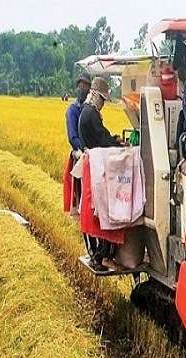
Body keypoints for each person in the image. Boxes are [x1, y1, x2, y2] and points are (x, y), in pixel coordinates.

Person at [78, 76, 126, 271]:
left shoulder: (85, 112)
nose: (104, 103)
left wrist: (111, 138)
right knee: (107, 211)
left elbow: (101, 135)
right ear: (96, 96)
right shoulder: (91, 114)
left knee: (93, 210)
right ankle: (105, 255)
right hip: (97, 169)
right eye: (103, 99)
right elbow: (102, 139)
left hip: (90, 167)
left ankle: (97, 254)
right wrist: (117, 143)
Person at [63, 72, 91, 217]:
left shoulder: (89, 110)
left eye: (85, 85)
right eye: (80, 85)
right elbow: (72, 137)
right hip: (80, 153)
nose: (82, 88)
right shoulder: (73, 110)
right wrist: (84, 148)